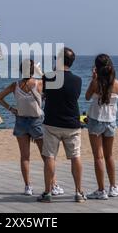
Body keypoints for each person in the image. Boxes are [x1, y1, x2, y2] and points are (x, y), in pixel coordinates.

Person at [0, 59, 64, 197]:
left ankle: (28, 186)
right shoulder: (39, 83)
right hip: (36, 122)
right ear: (32, 71)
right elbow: (55, 84)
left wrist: (11, 109)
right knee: (46, 156)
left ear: (21, 70)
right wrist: (41, 72)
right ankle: (53, 185)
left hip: (20, 121)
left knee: (25, 157)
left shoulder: (15, 85)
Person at [38, 48, 86, 203]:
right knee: (75, 156)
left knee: (50, 157)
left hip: (52, 122)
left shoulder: (49, 78)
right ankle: (79, 192)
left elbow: (44, 94)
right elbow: (75, 96)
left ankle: (47, 192)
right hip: (72, 122)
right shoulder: (78, 80)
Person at [85, 54, 118, 200]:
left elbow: (87, 97)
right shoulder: (117, 83)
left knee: (98, 157)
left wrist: (93, 78)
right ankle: (113, 187)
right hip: (111, 121)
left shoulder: (96, 82)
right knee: (109, 156)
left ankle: (101, 190)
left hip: (96, 120)